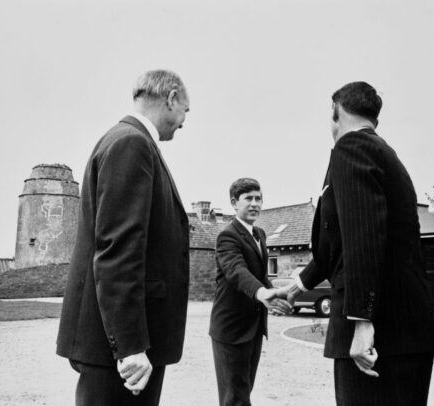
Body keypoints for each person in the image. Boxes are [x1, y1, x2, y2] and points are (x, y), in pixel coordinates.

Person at [281, 81, 434, 405]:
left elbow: (364, 236)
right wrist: (297, 285)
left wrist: (361, 320)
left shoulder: (351, 148)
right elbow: (341, 242)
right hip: (405, 331)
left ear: (335, 112)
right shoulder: (384, 153)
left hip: (380, 335)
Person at [56, 69, 191, 406]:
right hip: (123, 355)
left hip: (121, 348)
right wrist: (130, 346)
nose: (184, 122)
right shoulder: (131, 143)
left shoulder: (127, 141)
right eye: (185, 111)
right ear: (171, 98)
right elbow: (118, 250)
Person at [209, 178, 292, 406]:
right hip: (231, 330)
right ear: (234, 203)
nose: (255, 204)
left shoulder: (261, 234)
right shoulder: (227, 236)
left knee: (244, 391)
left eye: (259, 198)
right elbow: (236, 270)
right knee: (234, 398)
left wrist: (275, 293)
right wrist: (261, 293)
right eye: (249, 199)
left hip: (253, 328)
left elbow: (259, 275)